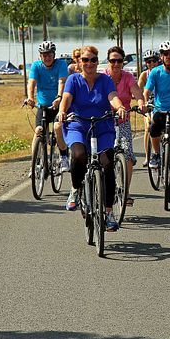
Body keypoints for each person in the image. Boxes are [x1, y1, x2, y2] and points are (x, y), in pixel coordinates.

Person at [58, 45, 128, 232]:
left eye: (93, 60)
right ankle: (74, 190)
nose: (89, 64)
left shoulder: (105, 80)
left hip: (102, 126)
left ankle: (108, 212)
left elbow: (112, 97)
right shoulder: (73, 80)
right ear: (79, 62)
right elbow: (66, 98)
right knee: (79, 155)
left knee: (107, 165)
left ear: (98, 62)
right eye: (85, 60)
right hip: (78, 125)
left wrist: (119, 106)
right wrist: (62, 111)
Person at [104, 45, 146, 206]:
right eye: (112, 61)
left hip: (123, 121)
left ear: (123, 62)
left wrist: (141, 103)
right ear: (108, 62)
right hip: (105, 120)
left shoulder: (128, 77)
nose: (116, 64)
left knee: (127, 155)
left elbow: (137, 93)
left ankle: (125, 192)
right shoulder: (103, 78)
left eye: (119, 61)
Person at [144, 41, 170, 192]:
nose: (168, 56)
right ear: (161, 56)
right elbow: (147, 90)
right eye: (165, 54)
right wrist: (146, 101)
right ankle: (156, 154)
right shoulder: (156, 72)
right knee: (153, 127)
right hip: (161, 110)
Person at [25, 41, 69, 172]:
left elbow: (62, 82)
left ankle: (64, 157)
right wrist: (30, 98)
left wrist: (59, 97)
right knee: (38, 131)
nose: (47, 57)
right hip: (43, 105)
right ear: (40, 56)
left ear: (54, 54)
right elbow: (31, 82)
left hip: (58, 105)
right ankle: (35, 163)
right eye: (44, 55)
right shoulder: (36, 66)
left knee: (58, 128)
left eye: (49, 54)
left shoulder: (61, 64)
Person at [138, 49, 160, 167]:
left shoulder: (162, 72)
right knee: (148, 127)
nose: (151, 63)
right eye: (148, 61)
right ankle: (148, 156)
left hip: (160, 103)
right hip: (149, 104)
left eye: (154, 61)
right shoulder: (145, 74)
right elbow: (138, 89)